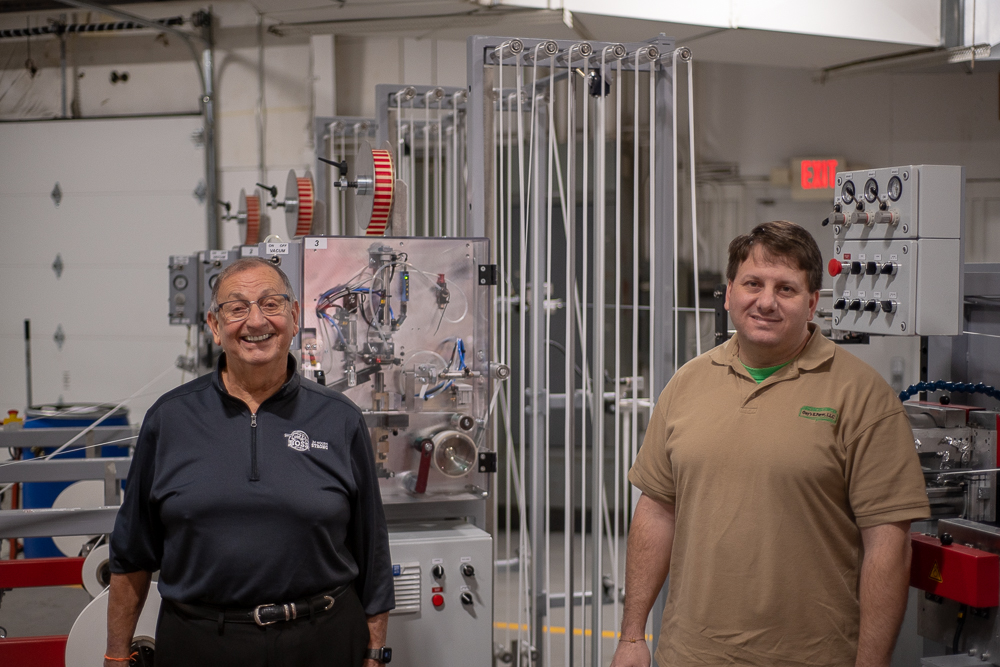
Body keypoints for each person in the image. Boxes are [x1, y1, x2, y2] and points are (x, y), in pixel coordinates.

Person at [611, 221, 929, 667]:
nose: (765, 301)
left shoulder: (862, 396)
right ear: (728, 293)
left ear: (813, 302)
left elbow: (888, 545)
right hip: (689, 654)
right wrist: (631, 636)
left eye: (786, 289)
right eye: (753, 283)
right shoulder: (687, 383)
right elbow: (657, 509)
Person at [106, 257, 394, 667]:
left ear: (294, 317)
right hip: (200, 643)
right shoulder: (169, 419)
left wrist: (375, 652)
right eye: (237, 308)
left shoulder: (339, 418)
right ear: (214, 326)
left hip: (323, 640)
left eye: (271, 304)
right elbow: (131, 553)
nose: (256, 321)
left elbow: (372, 550)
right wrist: (116, 655)